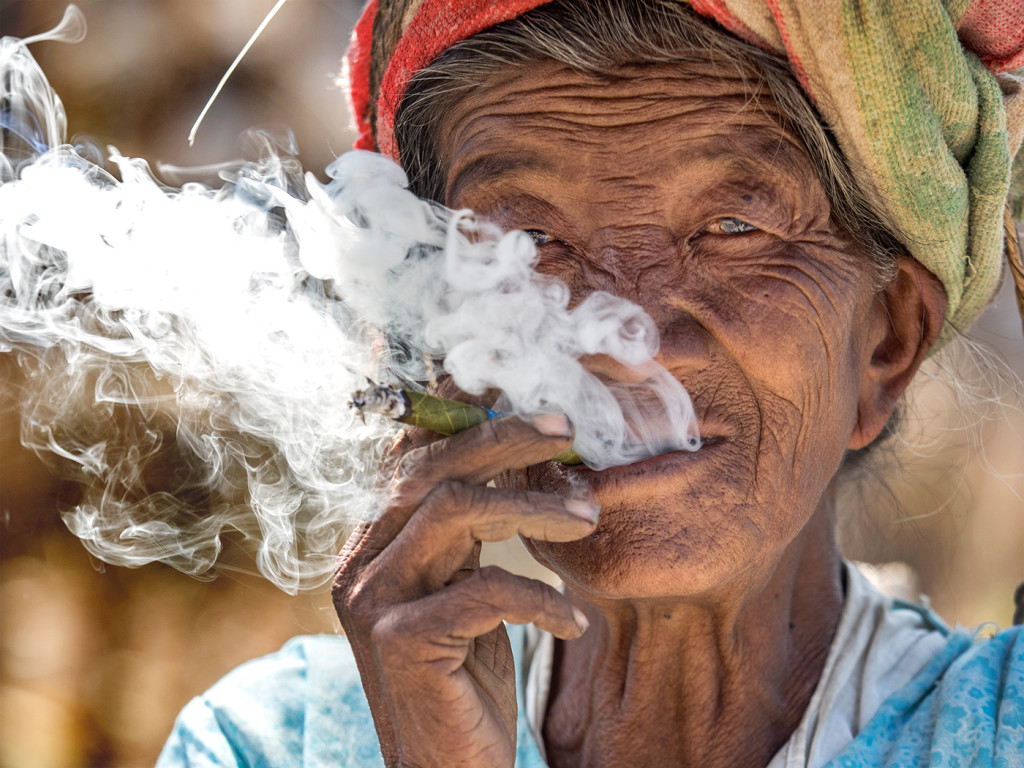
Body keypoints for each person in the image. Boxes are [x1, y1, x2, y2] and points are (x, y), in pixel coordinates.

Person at [156, 1, 1024, 765]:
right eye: (531, 244)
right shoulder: (265, 745)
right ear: (441, 347)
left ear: (887, 343)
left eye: (729, 227)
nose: (623, 344)